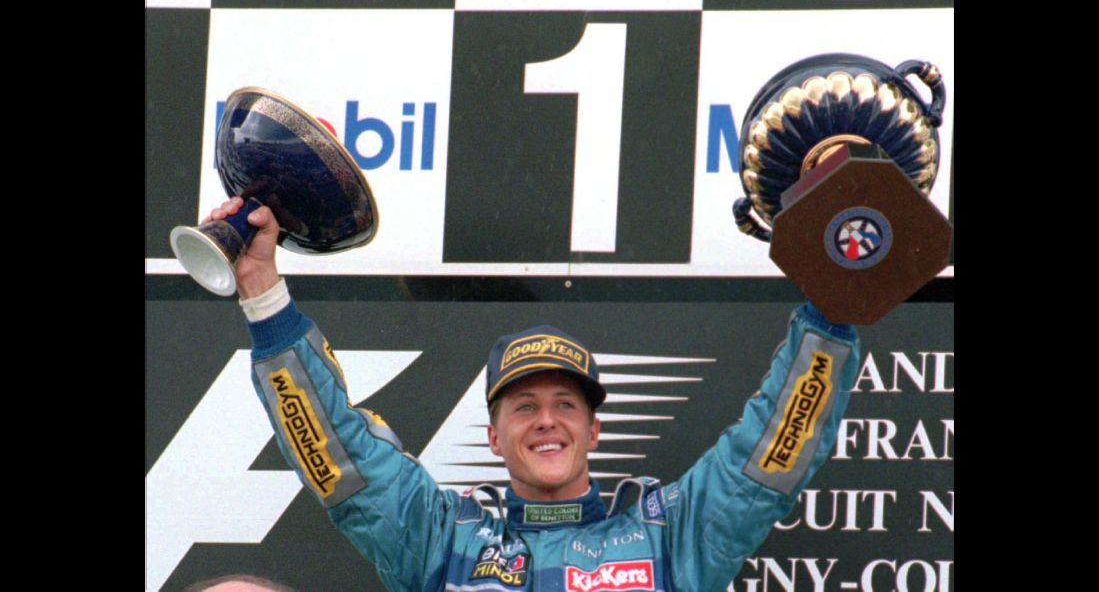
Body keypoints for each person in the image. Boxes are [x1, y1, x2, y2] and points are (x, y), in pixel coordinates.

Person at [205, 197, 860, 591]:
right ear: (493, 437)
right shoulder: (440, 542)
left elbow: (771, 451)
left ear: (594, 430)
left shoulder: (668, 535)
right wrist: (262, 291)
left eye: (565, 405)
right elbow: (334, 451)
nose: (546, 421)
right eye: (523, 406)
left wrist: (833, 306)